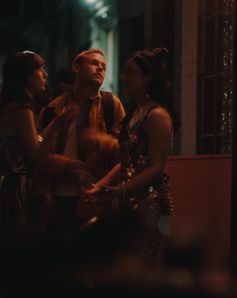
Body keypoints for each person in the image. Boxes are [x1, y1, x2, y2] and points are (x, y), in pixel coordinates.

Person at [83, 48, 179, 266]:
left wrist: (120, 190)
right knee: (126, 267)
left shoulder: (157, 115)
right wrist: (101, 185)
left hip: (151, 203)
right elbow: (126, 161)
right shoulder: (133, 115)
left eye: (130, 72)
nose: (123, 78)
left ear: (147, 78)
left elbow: (156, 167)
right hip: (129, 201)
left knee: (144, 268)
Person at [38, 48, 125, 238]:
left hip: (97, 196)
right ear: (76, 67)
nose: (100, 68)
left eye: (104, 66)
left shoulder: (111, 104)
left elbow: (125, 153)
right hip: (59, 197)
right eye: (94, 63)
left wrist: (103, 142)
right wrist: (68, 165)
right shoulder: (53, 109)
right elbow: (38, 154)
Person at [0, 51, 75, 241]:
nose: (45, 74)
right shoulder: (21, 109)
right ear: (26, 76)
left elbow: (35, 140)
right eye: (39, 69)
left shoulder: (14, 106)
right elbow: (36, 155)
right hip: (17, 187)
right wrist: (58, 124)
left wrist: (57, 121)